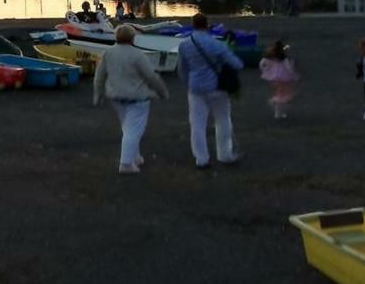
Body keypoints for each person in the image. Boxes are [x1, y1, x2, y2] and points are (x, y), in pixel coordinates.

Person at [93, 25, 169, 174]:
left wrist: (98, 94)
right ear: (133, 37)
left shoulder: (108, 53)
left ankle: (135, 157)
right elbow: (151, 77)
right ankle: (126, 163)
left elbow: (99, 76)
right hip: (137, 97)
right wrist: (162, 92)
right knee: (133, 130)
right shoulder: (137, 54)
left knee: (128, 128)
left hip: (115, 96)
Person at [178, 13, 244, 168]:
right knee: (222, 120)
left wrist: (187, 83)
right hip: (217, 86)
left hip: (195, 87)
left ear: (193, 24)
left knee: (197, 124)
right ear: (207, 25)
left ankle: (201, 159)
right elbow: (237, 64)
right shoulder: (216, 44)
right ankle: (225, 155)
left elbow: (182, 69)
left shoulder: (184, 44)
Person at [259, 40, 299, 119]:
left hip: (274, 77)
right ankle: (278, 109)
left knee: (279, 92)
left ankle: (277, 111)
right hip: (284, 77)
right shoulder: (283, 57)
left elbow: (262, 63)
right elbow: (288, 68)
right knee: (283, 94)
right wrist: (294, 74)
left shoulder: (271, 55)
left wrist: (264, 70)